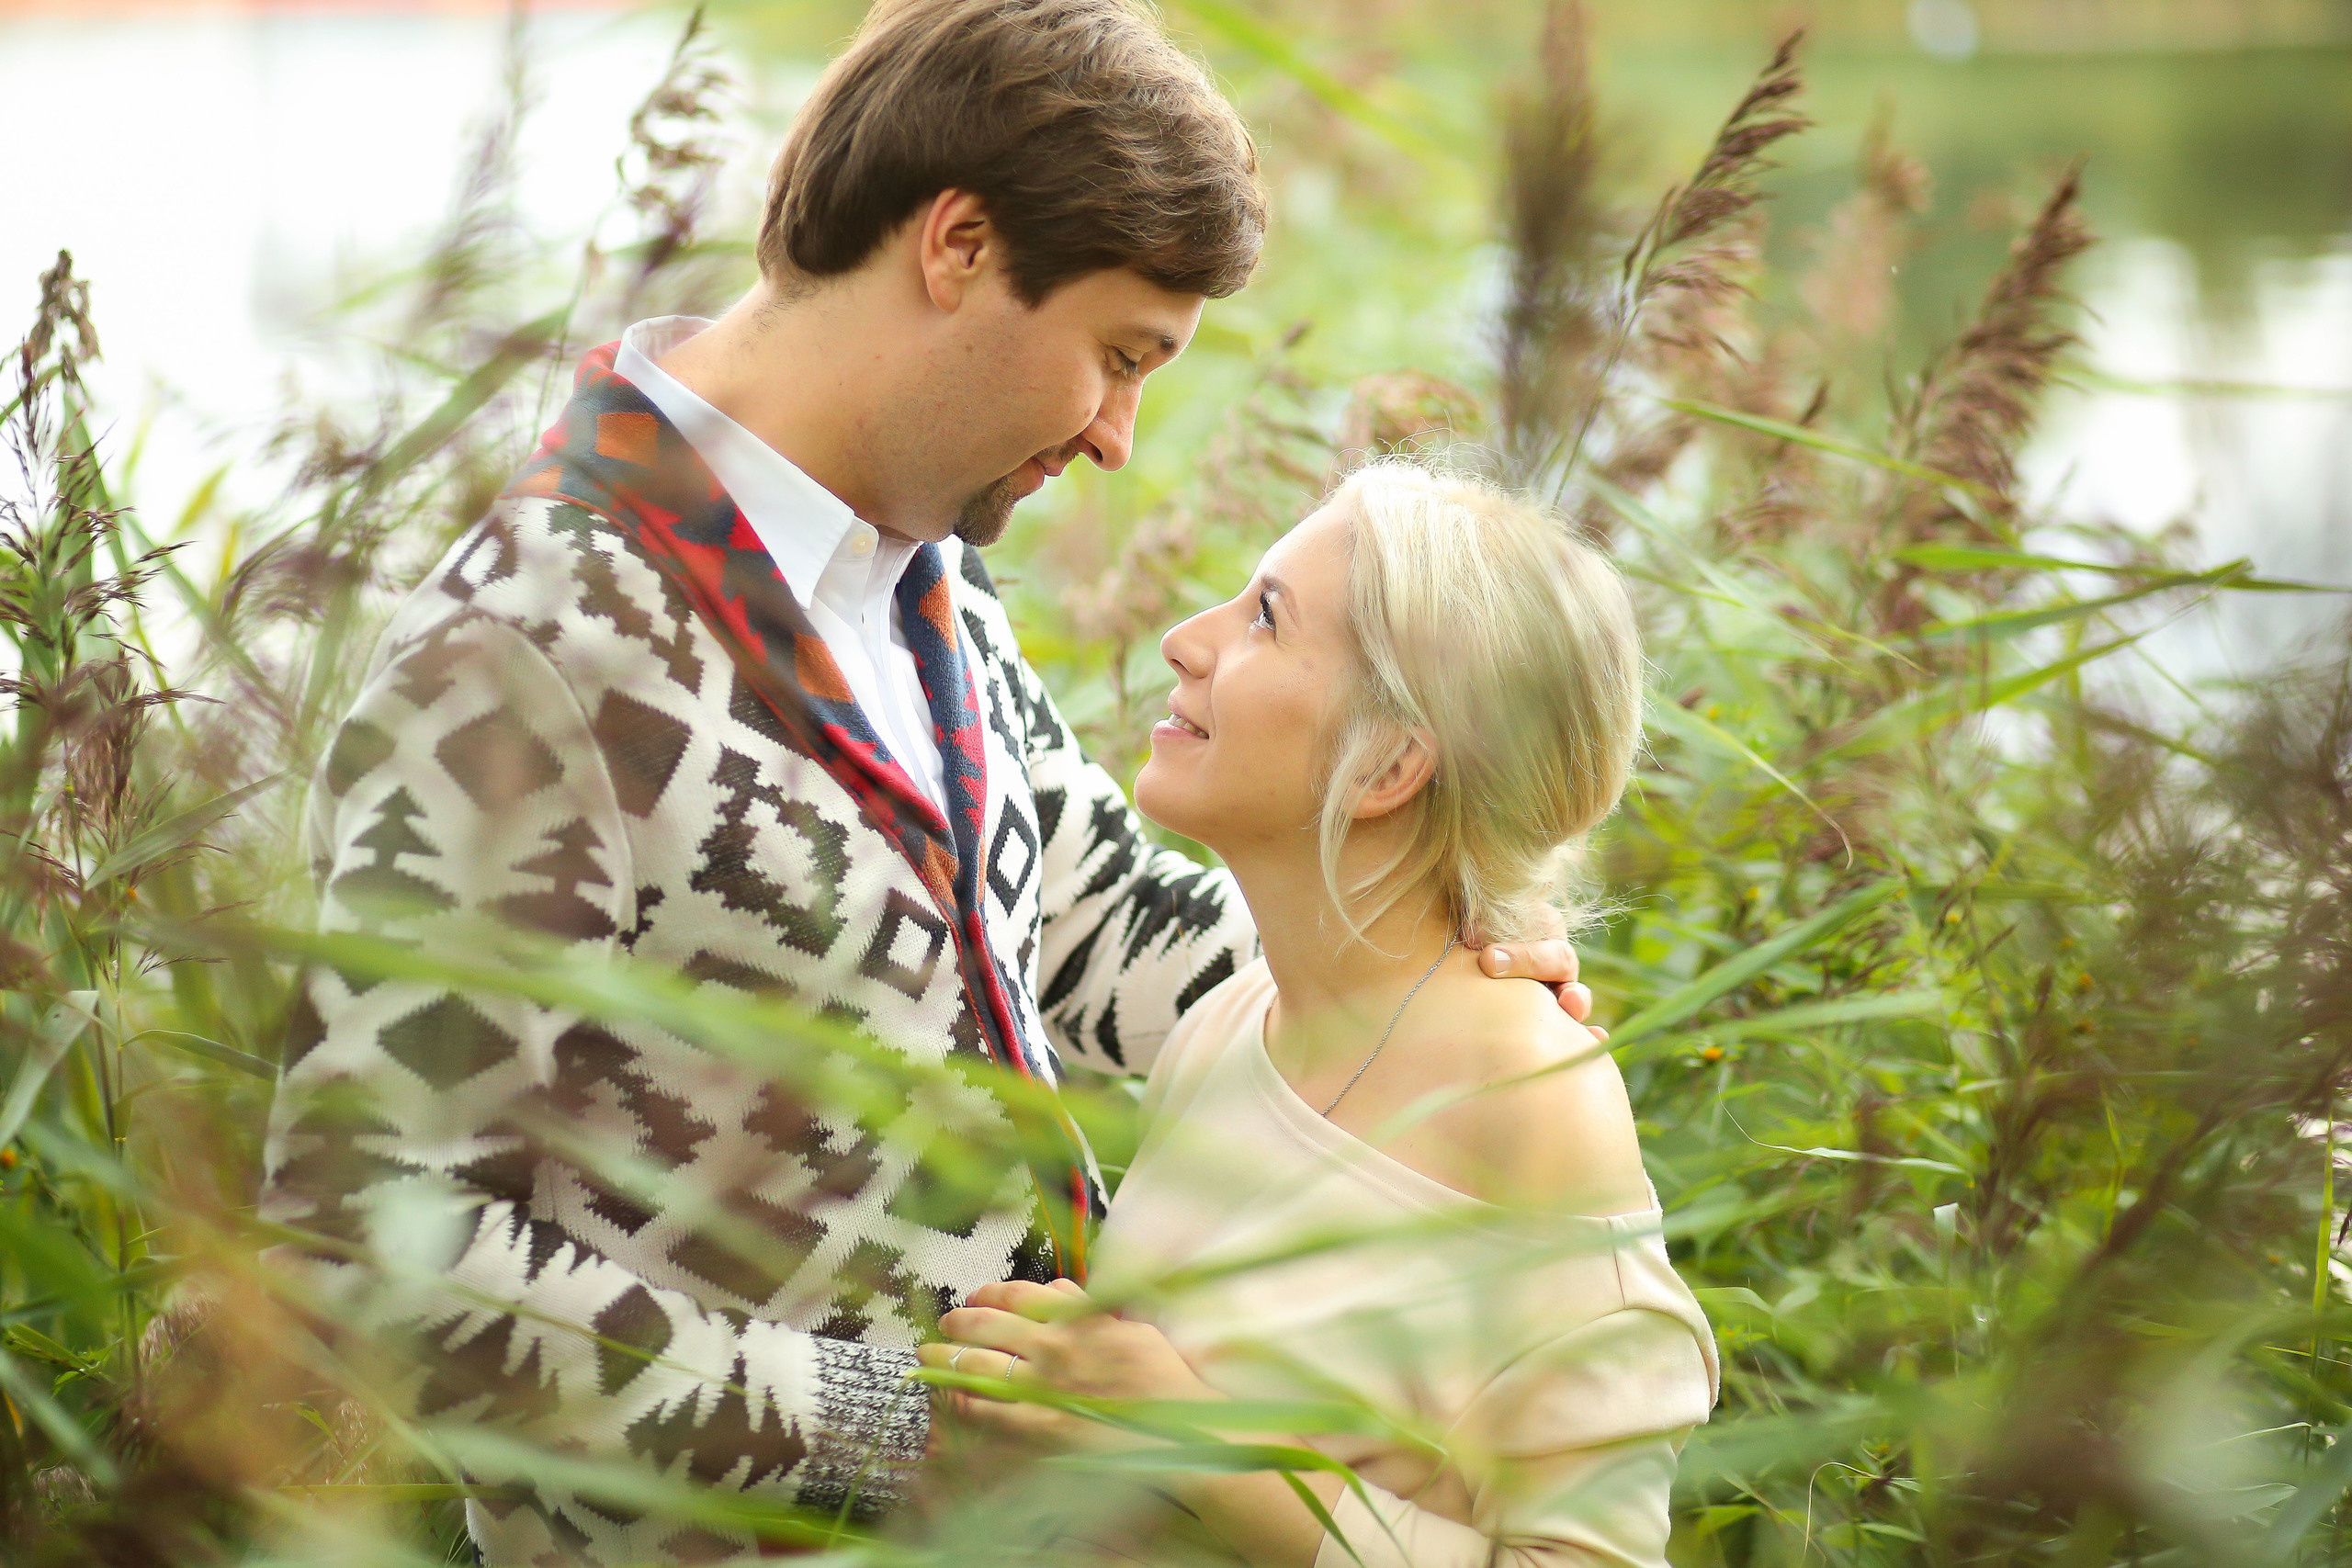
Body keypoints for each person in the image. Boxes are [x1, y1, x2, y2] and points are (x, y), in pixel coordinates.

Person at [255, 4, 1596, 1562]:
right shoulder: (534, 647)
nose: (1119, 436)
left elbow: (1087, 917)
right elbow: (364, 1244)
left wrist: (1432, 981)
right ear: (957, 245)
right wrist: (882, 1431)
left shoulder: (919, 569)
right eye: (1117, 357)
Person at [925, 459, 1718, 1567]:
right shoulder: (1227, 1029)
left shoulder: (1534, 1106)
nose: (1185, 641)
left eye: (1264, 617)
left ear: (1390, 761)